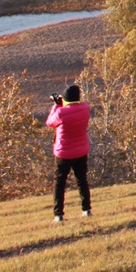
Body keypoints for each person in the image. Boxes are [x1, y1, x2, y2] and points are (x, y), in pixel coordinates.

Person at [46, 83, 91, 223]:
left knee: (59, 182)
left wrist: (57, 105)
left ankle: (58, 214)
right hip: (81, 150)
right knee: (82, 180)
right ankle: (86, 209)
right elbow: (75, 107)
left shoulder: (60, 112)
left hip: (64, 153)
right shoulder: (85, 108)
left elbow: (50, 123)